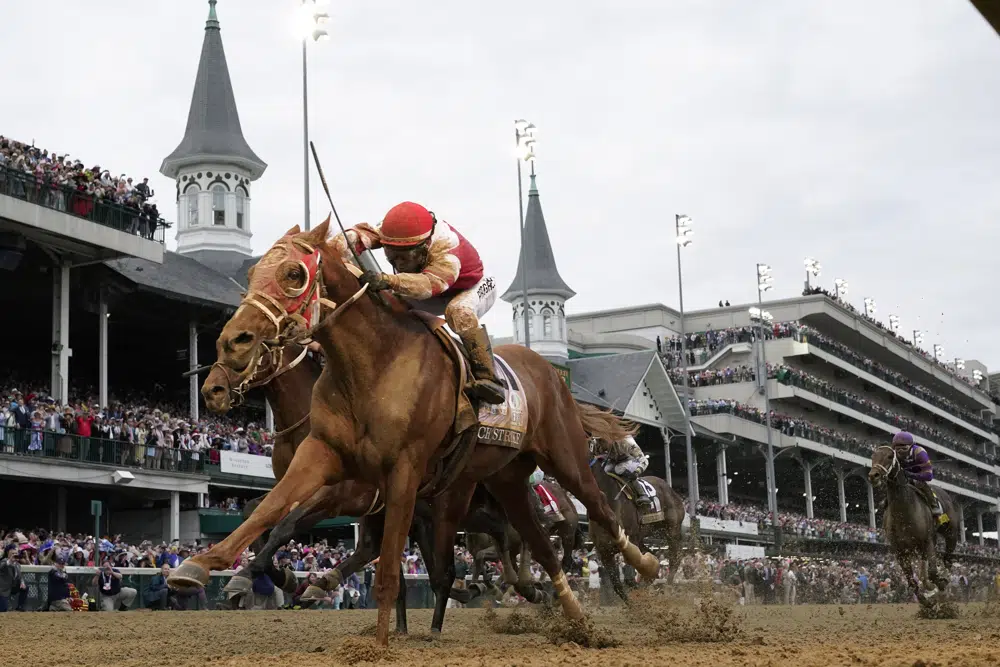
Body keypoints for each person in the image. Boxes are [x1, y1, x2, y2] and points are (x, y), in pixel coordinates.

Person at [331, 202, 505, 404]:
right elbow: (361, 235)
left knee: (458, 311)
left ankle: (489, 377)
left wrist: (388, 280)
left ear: (424, 247)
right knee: (385, 301)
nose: (398, 263)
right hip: (428, 285)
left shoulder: (447, 249)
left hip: (469, 286)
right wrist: (337, 247)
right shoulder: (395, 232)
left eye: (404, 257)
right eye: (392, 256)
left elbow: (429, 285)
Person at [890, 431, 948, 525]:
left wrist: (910, 475)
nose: (900, 452)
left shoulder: (920, 452)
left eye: (903, 448)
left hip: (919, 475)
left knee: (920, 484)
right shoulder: (893, 454)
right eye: (897, 449)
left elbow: (929, 476)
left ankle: (936, 509)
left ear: (911, 446)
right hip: (903, 476)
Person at [602, 434, 653, 512]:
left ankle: (642, 494)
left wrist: (637, 472)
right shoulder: (600, 442)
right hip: (615, 460)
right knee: (606, 469)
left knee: (619, 469)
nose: (601, 445)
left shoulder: (627, 442)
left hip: (629, 460)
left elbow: (644, 460)